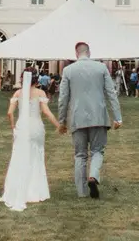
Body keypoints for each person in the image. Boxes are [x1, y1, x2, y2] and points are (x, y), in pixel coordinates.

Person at [56, 41, 123, 200]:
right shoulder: (101, 68)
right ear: (89, 52)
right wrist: (118, 117)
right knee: (97, 151)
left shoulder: (68, 70)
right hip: (98, 117)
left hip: (77, 118)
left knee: (80, 155)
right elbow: (111, 94)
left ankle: (82, 192)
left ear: (76, 54)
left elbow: (63, 98)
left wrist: (62, 121)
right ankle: (93, 176)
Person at [0, 70, 58, 211]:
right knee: (36, 157)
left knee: (19, 157)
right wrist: (58, 125)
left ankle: (17, 189)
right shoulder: (40, 93)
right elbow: (46, 112)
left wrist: (14, 127)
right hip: (36, 127)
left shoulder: (18, 94)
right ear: (36, 80)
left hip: (22, 128)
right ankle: (34, 190)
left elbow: (9, 113)